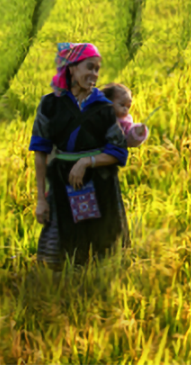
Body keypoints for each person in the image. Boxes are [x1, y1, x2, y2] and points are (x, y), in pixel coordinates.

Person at [28, 41, 128, 267]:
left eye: (97, 69)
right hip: (62, 184)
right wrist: (41, 200)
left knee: (103, 252)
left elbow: (118, 151)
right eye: (89, 67)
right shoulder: (50, 105)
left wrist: (87, 161)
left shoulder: (103, 107)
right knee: (60, 257)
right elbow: (40, 153)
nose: (94, 74)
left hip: (100, 183)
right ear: (72, 68)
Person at [101, 82, 150, 146]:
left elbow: (129, 139)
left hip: (115, 150)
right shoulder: (102, 115)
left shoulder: (126, 122)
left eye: (128, 106)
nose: (125, 109)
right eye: (122, 105)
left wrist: (137, 132)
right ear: (108, 101)